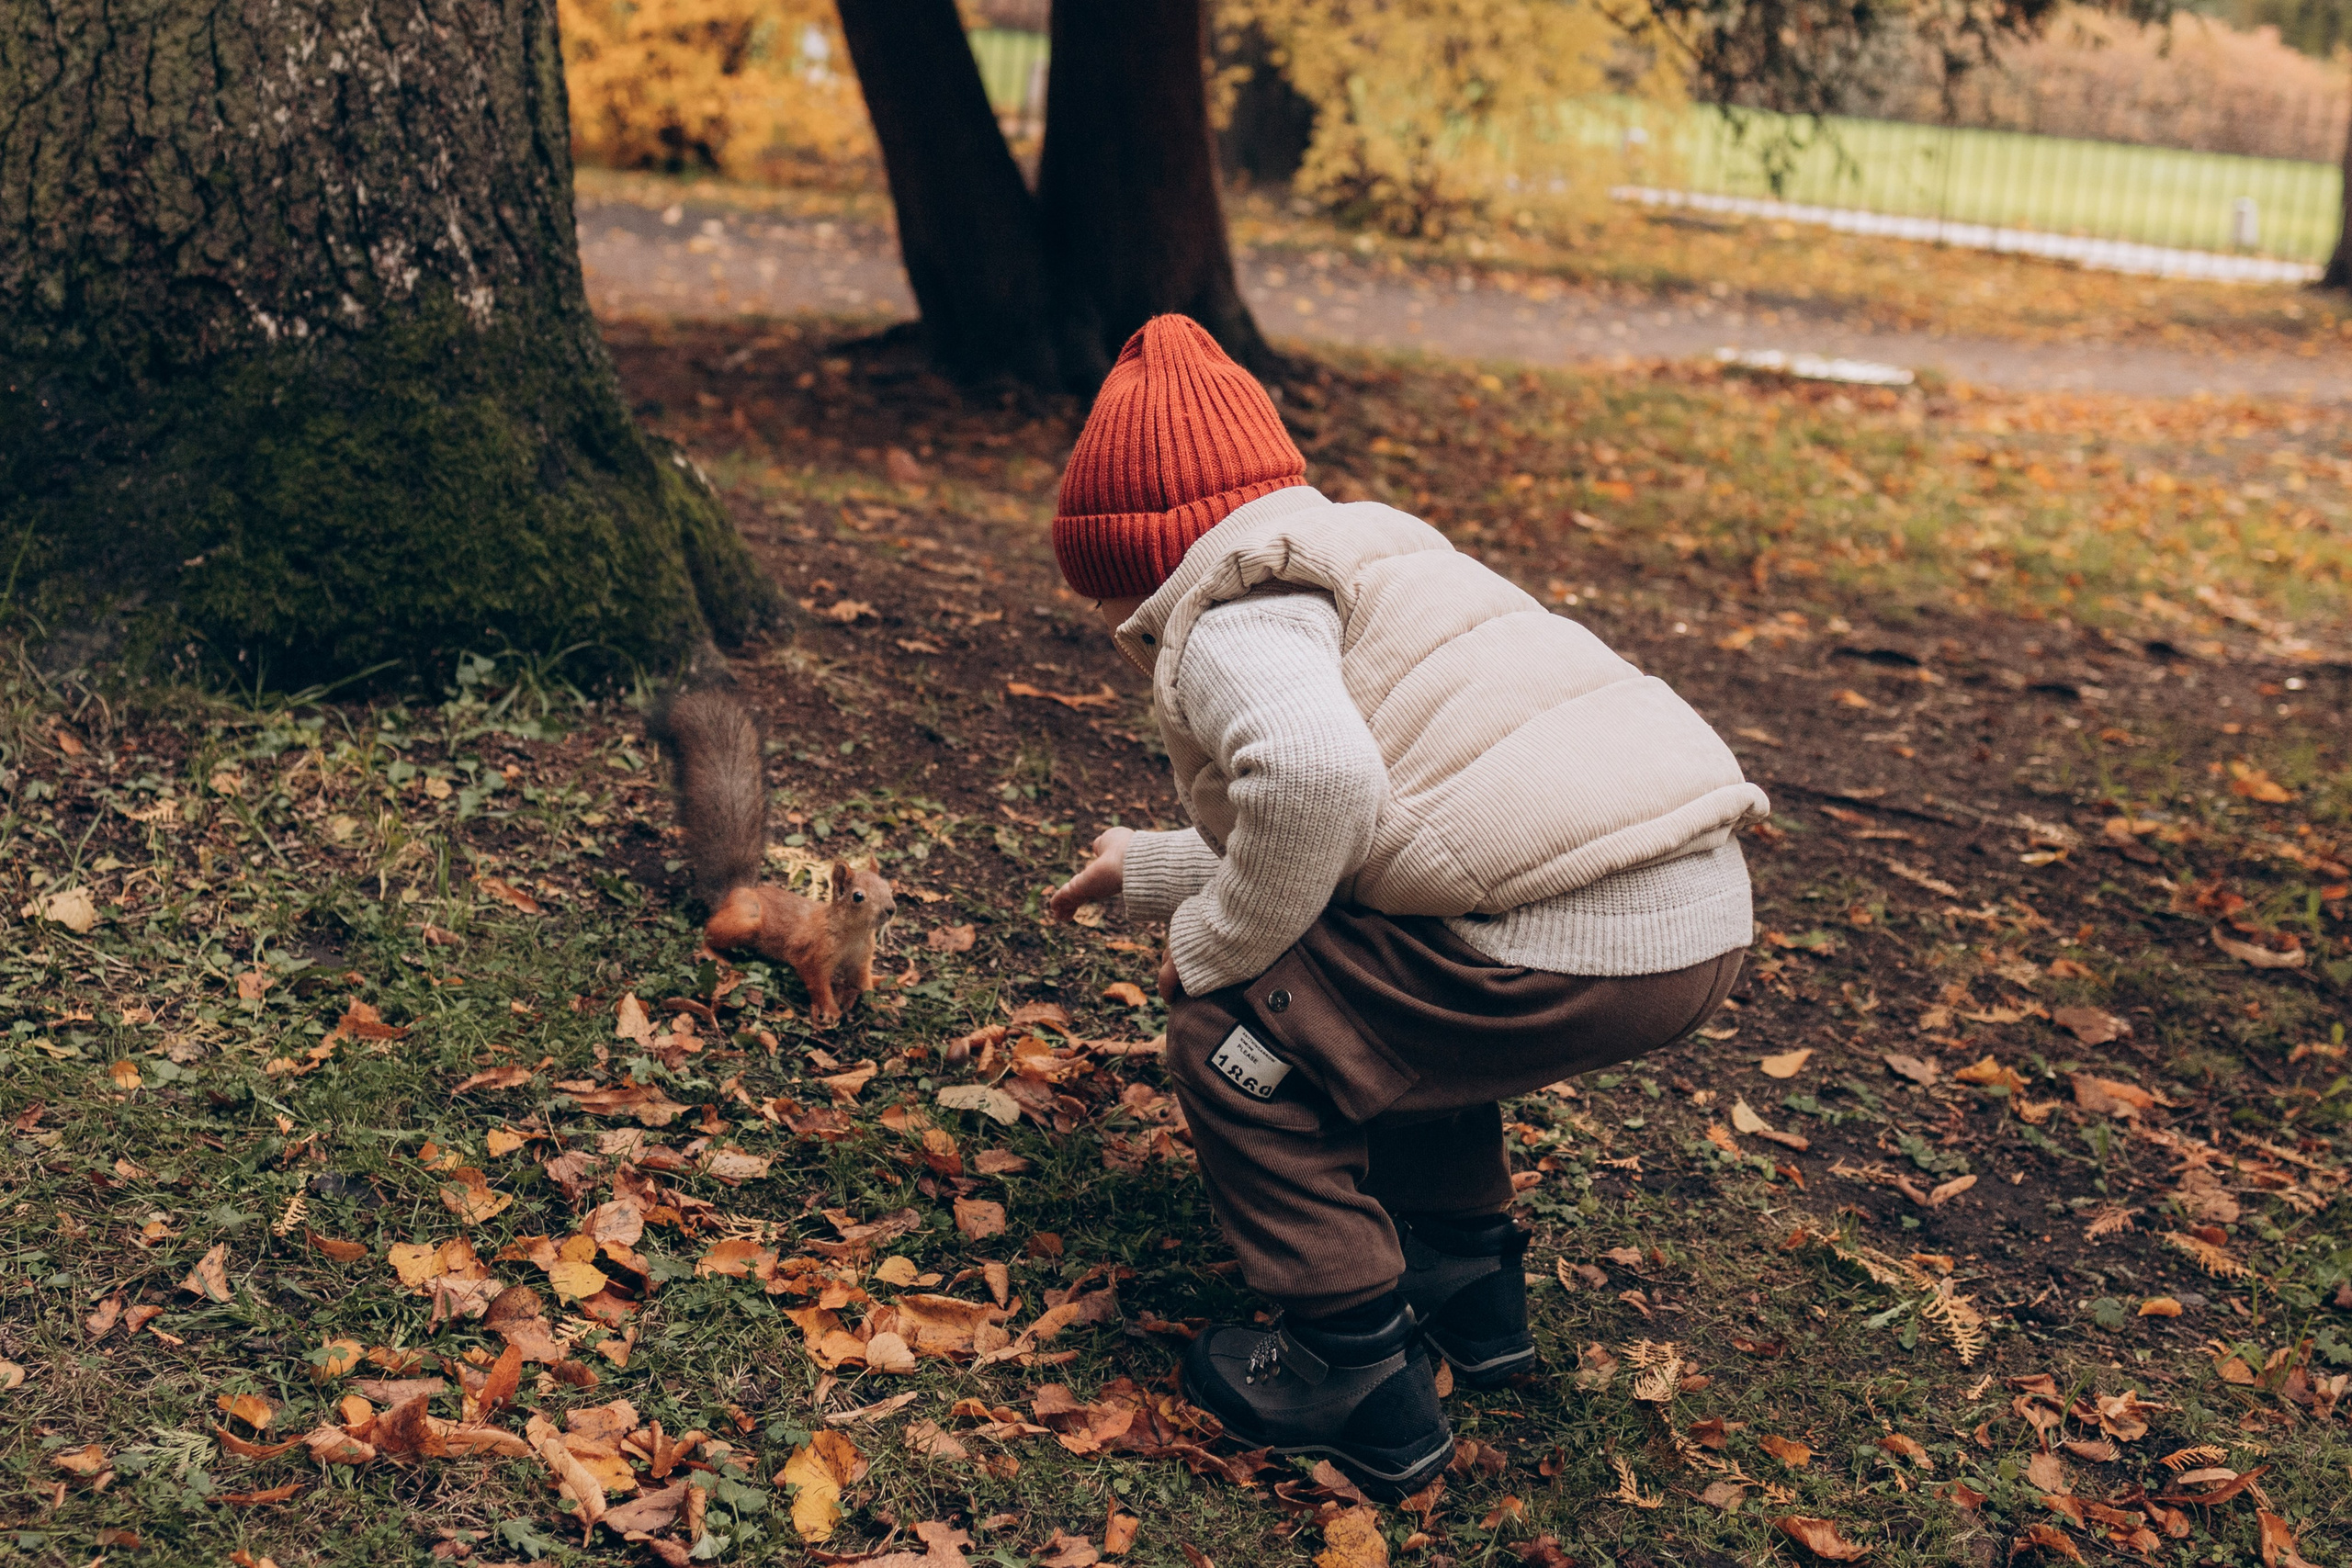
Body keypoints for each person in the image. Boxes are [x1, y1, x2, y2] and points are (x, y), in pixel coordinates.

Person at [1047, 315, 1766, 1497]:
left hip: (1553, 937)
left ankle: (1349, 1366)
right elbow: (1397, 824)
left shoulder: (1229, 612)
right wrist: (1154, 865)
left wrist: (1215, 939)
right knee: (1371, 1005)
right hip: (1684, 913)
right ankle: (1459, 1278)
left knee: (1236, 1034)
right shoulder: (1373, 555)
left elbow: (1319, 783)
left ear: (1137, 564)